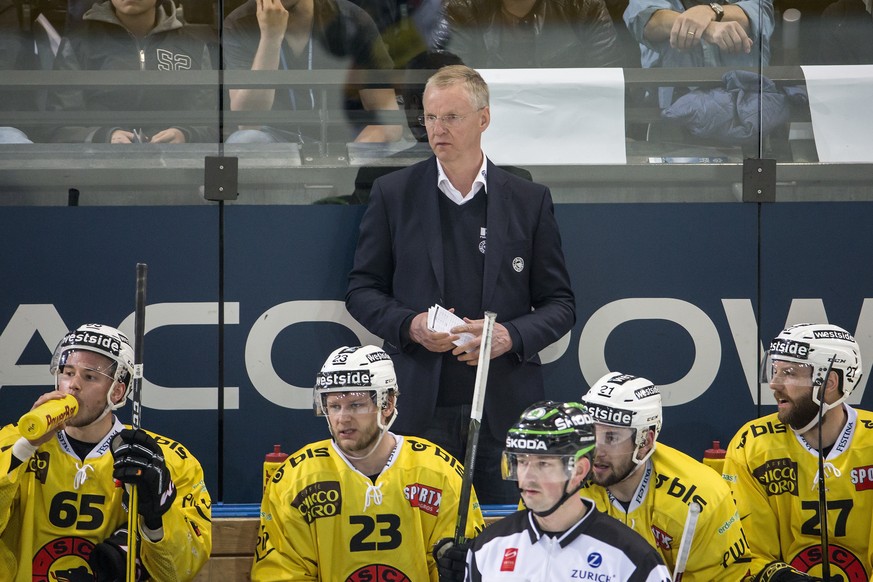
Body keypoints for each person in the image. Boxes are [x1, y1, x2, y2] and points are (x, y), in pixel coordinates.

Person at [345, 64, 576, 505]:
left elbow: (560, 302)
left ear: (483, 119)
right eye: (431, 118)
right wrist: (410, 325)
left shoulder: (528, 199)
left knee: (509, 537)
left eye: (452, 117)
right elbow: (362, 289)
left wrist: (510, 336)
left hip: (504, 408)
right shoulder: (393, 193)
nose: (438, 129)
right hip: (417, 404)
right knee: (423, 543)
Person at [251, 344, 484, 581]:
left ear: (388, 403)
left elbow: (464, 566)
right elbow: (281, 572)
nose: (342, 418)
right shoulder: (297, 478)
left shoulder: (439, 471)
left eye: (356, 405)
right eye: (334, 406)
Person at [0, 323, 212, 581]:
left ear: (118, 391)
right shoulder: (12, 442)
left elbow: (180, 571)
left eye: (89, 377)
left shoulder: (165, 459)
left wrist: (155, 518)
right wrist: (26, 446)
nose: (73, 385)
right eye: (68, 373)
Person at [456, 400, 671, 581]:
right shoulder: (488, 546)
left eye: (543, 464)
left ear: (579, 470)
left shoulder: (633, 558)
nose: (528, 477)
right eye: (521, 462)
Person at [723, 323, 873, 581]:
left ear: (829, 381)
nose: (774, 384)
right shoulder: (752, 444)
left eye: (789, 373)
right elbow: (747, 552)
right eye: (774, 371)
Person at [580, 371, 760, 581]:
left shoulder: (702, 496)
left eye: (611, 437)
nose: (596, 450)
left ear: (645, 441)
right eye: (590, 433)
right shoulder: (563, 481)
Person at [223, 0, 402, 145]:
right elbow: (247, 122)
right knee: (245, 142)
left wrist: (351, 159)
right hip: (278, 142)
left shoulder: (350, 19)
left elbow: (387, 120)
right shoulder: (240, 23)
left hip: (346, 142)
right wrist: (271, 38)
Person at [45, 0, 218, 144]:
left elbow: (210, 123)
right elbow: (59, 127)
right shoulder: (80, 44)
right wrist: (104, 136)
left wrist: (185, 134)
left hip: (174, 165)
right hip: (99, 165)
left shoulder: (192, 47)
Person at [624, 0, 775, 106]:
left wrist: (710, 11)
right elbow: (648, 21)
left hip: (746, 117)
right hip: (673, 125)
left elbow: (757, 12)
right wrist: (708, 28)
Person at [433, 0, 626, 68]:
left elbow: (608, 83)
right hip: (484, 130)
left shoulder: (584, 5)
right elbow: (446, 85)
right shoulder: (460, 7)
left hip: (569, 125)